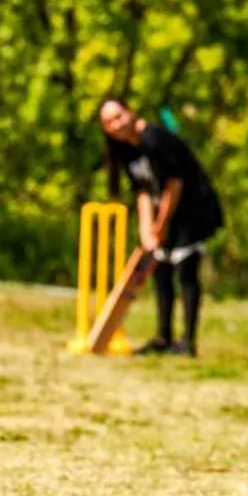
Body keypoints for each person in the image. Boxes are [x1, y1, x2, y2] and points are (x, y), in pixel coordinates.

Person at [98, 98, 226, 357]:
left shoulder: (157, 140)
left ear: (131, 112)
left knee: (185, 270)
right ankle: (163, 337)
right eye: (109, 122)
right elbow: (142, 189)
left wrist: (161, 225)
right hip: (164, 212)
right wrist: (147, 232)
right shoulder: (126, 150)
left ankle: (188, 342)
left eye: (119, 116)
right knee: (161, 270)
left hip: (192, 209)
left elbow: (174, 185)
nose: (116, 124)